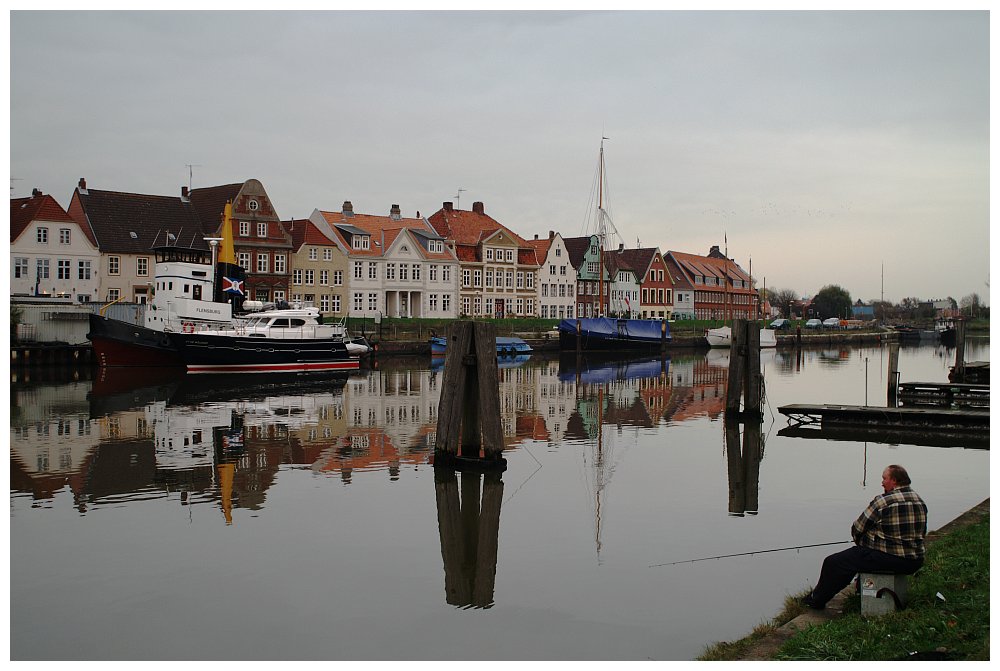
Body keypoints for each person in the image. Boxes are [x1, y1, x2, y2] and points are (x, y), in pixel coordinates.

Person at [803, 464, 927, 609]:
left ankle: (816, 600)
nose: (882, 482)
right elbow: (921, 532)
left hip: (891, 559)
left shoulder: (883, 501)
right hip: (914, 561)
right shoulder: (919, 500)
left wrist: (861, 541)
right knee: (856, 558)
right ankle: (857, 588)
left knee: (834, 563)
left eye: (884, 478)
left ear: (894, 481)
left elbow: (857, 528)